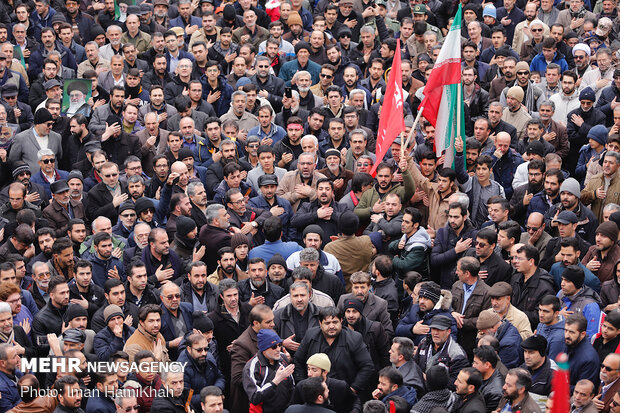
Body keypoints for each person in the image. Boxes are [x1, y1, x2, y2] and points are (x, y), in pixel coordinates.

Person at [293, 306, 374, 395]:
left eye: (335, 322)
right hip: (314, 392)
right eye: (327, 323)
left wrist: (353, 389)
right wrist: (304, 385)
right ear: (320, 323)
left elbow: (367, 366)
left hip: (342, 392)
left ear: (341, 321)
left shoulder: (354, 338)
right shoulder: (311, 335)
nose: (331, 326)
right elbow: (297, 360)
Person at [243, 329, 295, 413]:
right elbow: (254, 397)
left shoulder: (283, 358)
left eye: (280, 345)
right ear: (264, 349)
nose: (278, 349)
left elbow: (291, 386)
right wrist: (275, 382)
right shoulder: (252, 367)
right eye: (274, 346)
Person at [565, 313, 600, 389]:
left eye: (571, 332)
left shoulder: (589, 359)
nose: (566, 335)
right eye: (566, 330)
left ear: (583, 334)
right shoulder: (569, 343)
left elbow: (583, 390)